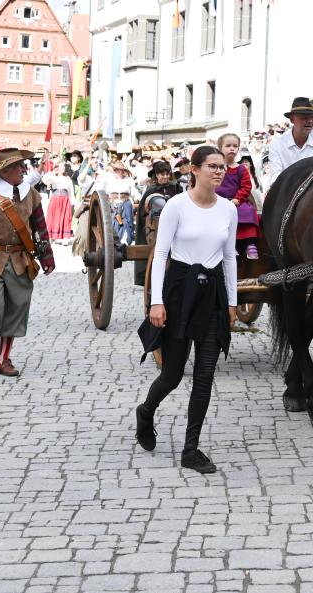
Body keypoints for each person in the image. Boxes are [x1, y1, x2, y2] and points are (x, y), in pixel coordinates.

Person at [135, 145, 238, 474]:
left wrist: (232, 301)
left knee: (205, 376)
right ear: (194, 169)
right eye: (212, 166)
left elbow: (230, 257)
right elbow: (161, 253)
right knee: (172, 375)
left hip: (213, 294)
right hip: (180, 291)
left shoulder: (228, 209)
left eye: (222, 166)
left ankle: (190, 450)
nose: (219, 171)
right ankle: (146, 411)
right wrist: (156, 301)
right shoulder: (176, 206)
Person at [0, 148, 56, 376]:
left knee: (17, 307)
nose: (24, 170)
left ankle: (4, 359)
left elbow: (40, 227)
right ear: (4, 171)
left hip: (20, 259)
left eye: (23, 165)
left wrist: (47, 256)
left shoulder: (30, 194)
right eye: (18, 166)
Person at [267, 97, 313, 189]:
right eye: (304, 117)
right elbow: (276, 176)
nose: (310, 121)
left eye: (311, 117)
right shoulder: (277, 144)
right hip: (286, 191)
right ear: (292, 119)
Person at [216, 133, 262, 260]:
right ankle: (231, 245)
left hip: (238, 201)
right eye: (228, 145)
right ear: (220, 148)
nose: (232, 148)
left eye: (235, 146)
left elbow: (246, 187)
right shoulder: (216, 168)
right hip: (218, 201)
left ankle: (250, 243)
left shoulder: (241, 168)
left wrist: (237, 199)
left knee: (248, 211)